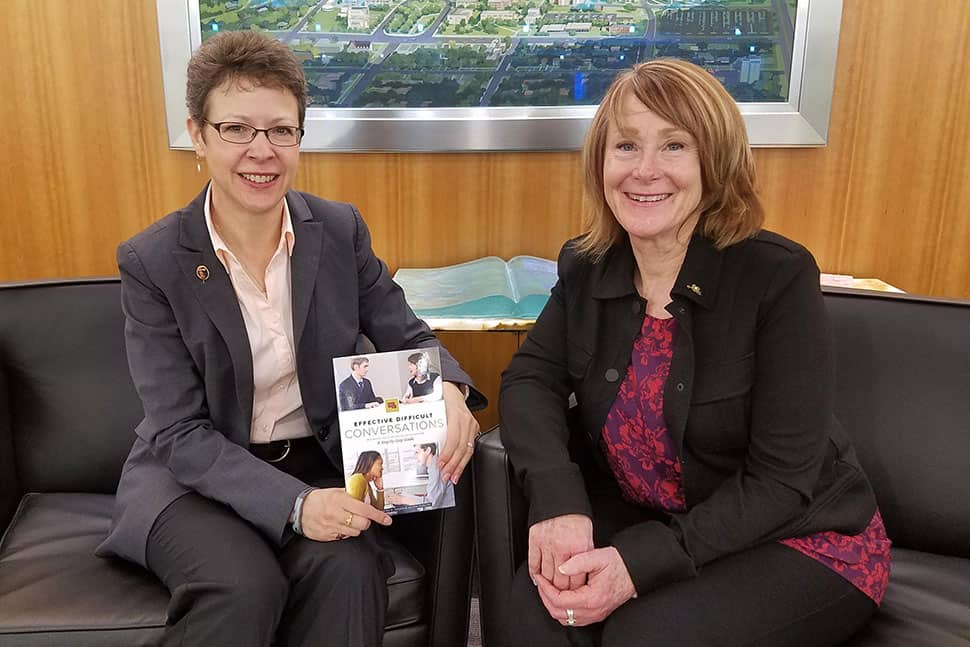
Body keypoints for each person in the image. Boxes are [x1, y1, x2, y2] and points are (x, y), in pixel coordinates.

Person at [95, 31, 482, 647]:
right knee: (243, 585)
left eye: (281, 130)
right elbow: (179, 434)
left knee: (352, 567)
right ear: (198, 134)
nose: (262, 151)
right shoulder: (154, 260)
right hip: (193, 480)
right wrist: (299, 508)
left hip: (316, 463)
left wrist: (453, 390)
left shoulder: (337, 229)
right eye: (237, 130)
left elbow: (403, 332)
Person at [499, 59, 890, 647]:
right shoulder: (588, 264)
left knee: (645, 638)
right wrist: (557, 502)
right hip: (652, 516)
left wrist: (639, 564)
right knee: (535, 609)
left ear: (716, 162)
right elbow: (531, 377)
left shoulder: (776, 277)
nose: (645, 171)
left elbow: (783, 483)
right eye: (626, 146)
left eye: (675, 145)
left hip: (796, 536)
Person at [415, 443, 455, 508]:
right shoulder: (433, 465)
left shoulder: (435, 467)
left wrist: (402, 499)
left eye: (417, 452)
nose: (415, 456)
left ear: (428, 450)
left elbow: (431, 504)